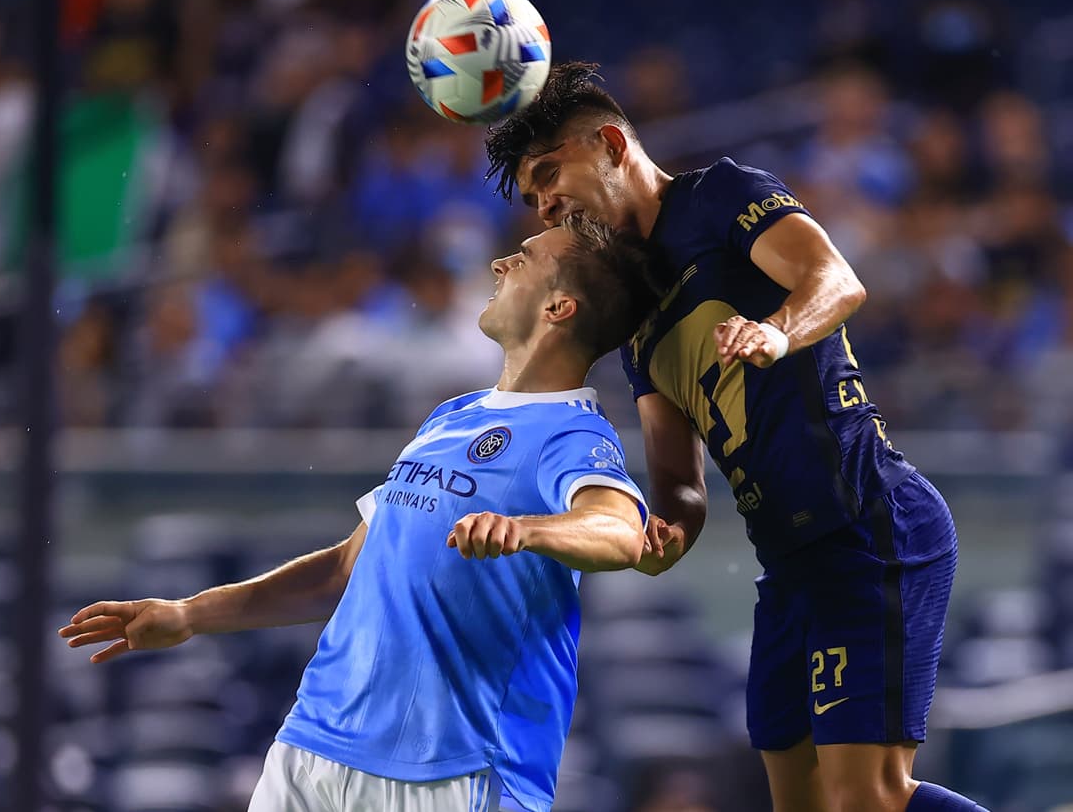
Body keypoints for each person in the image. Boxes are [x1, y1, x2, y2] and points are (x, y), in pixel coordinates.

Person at [484, 62, 986, 812]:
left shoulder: (721, 195)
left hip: (867, 525)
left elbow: (836, 279)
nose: (545, 203)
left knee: (868, 799)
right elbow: (681, 483)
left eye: (550, 173)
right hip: (787, 567)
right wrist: (668, 531)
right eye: (531, 196)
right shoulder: (637, 320)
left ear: (614, 145)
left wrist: (774, 332)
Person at [60, 214, 659, 812]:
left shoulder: (572, 434)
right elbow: (344, 570)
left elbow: (621, 530)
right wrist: (191, 614)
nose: (501, 263)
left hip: (453, 769)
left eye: (525, 258)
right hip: (312, 747)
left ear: (558, 308)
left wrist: (526, 529)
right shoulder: (450, 417)